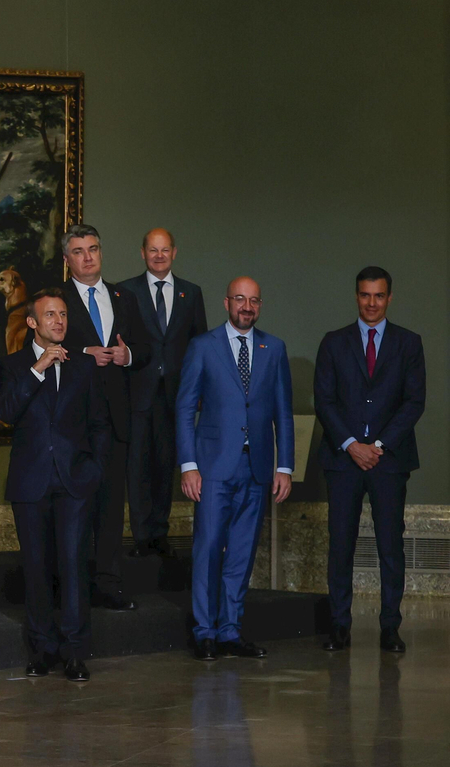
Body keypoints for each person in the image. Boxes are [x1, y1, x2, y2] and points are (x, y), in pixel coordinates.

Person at [177, 276, 294, 662]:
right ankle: (204, 632)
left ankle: (230, 632)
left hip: (258, 468)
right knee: (209, 549)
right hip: (212, 468)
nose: (247, 307)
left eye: (254, 301)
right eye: (240, 299)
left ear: (260, 305)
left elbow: (283, 412)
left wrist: (285, 465)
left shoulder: (273, 348)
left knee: (241, 555)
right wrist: (189, 464)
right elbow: (184, 408)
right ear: (226, 302)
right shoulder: (203, 347)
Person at [0, 289, 110, 682]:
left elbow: (99, 424)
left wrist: (93, 470)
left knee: (74, 567)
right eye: (50, 315)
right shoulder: (13, 366)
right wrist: (37, 369)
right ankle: (43, 649)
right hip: (30, 482)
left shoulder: (85, 366)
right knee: (37, 569)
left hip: (75, 481)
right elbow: (7, 412)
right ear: (32, 323)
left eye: (63, 314)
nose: (59, 321)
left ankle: (75, 651)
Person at [313, 266, 424, 654]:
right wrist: (350, 445)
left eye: (378, 296)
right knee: (340, 545)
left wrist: (377, 445)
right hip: (343, 461)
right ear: (356, 296)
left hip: (389, 461)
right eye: (364, 295)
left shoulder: (409, 343)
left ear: (389, 298)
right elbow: (324, 401)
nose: (371, 303)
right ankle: (339, 626)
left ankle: (390, 628)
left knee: (390, 547)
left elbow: (414, 402)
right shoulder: (333, 342)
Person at [60, 223, 150, 611]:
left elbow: (145, 348)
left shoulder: (123, 297)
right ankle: (72, 586)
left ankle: (108, 584)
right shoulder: (56, 298)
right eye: (79, 251)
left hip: (115, 419)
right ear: (67, 260)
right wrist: (84, 352)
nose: (88, 257)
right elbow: (42, 345)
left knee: (112, 507)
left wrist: (126, 356)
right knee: (75, 507)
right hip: (72, 420)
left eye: (93, 249)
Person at [117, 228, 208, 567]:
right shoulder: (126, 291)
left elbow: (200, 346)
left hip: (177, 397)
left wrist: (199, 391)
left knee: (166, 465)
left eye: (164, 250)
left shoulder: (191, 293)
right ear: (142, 253)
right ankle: (141, 536)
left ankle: (160, 532)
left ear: (174, 252)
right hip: (137, 393)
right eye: (152, 250)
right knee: (138, 465)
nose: (159, 255)